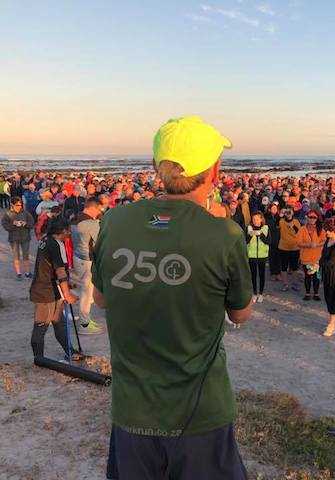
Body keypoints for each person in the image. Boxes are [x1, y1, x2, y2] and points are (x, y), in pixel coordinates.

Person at [93, 116, 252, 479]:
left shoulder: (115, 222)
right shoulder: (224, 235)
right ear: (214, 170)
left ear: (157, 168)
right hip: (200, 412)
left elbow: (101, 299)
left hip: (133, 410)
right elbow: (241, 313)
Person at [28, 216, 78, 358]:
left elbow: (52, 267)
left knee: (59, 322)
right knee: (41, 325)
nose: (69, 233)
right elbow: (59, 270)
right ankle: (39, 359)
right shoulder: (54, 244)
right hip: (44, 291)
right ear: (62, 231)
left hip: (53, 288)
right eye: (68, 231)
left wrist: (66, 285)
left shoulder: (47, 239)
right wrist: (67, 294)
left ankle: (70, 351)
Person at [70, 197, 103, 335]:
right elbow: (99, 242)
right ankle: (84, 324)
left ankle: (86, 319)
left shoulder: (74, 219)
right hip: (87, 260)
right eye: (98, 210)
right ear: (92, 208)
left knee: (85, 290)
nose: (99, 213)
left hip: (78, 257)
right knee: (86, 291)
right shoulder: (91, 223)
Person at [2, 196, 35, 280]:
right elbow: (5, 226)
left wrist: (25, 224)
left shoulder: (25, 213)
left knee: (26, 255)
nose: (19, 207)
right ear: (12, 205)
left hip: (25, 237)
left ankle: (27, 272)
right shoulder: (8, 214)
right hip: (14, 238)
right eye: (17, 205)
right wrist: (13, 224)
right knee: (16, 256)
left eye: (20, 205)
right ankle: (19, 273)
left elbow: (32, 223)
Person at [296, 210, 326, 301]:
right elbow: (298, 242)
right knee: (307, 276)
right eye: (310, 217)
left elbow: (324, 241)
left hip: (317, 258)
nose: (312, 219)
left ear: (317, 218)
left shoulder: (320, 229)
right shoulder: (302, 229)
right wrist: (308, 245)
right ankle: (307, 293)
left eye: (314, 217)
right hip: (306, 257)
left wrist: (317, 244)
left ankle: (316, 293)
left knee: (317, 277)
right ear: (307, 217)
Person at [247, 211, 269, 303]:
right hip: (252, 255)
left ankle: (261, 293)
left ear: (261, 219)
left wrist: (260, 234)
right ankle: (254, 293)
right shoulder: (249, 228)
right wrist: (250, 235)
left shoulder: (265, 228)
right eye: (254, 219)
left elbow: (268, 241)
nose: (256, 221)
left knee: (261, 274)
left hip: (262, 255)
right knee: (253, 275)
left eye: (257, 219)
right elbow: (245, 240)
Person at [277, 207, 301, 291]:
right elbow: (276, 224)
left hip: (294, 248)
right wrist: (280, 215)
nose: (288, 214)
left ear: (293, 213)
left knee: (294, 268)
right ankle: (285, 284)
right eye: (286, 212)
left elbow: (298, 232)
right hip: (283, 247)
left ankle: (295, 283)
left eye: (290, 212)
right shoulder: (281, 221)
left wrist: (292, 225)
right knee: (284, 267)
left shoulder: (296, 222)